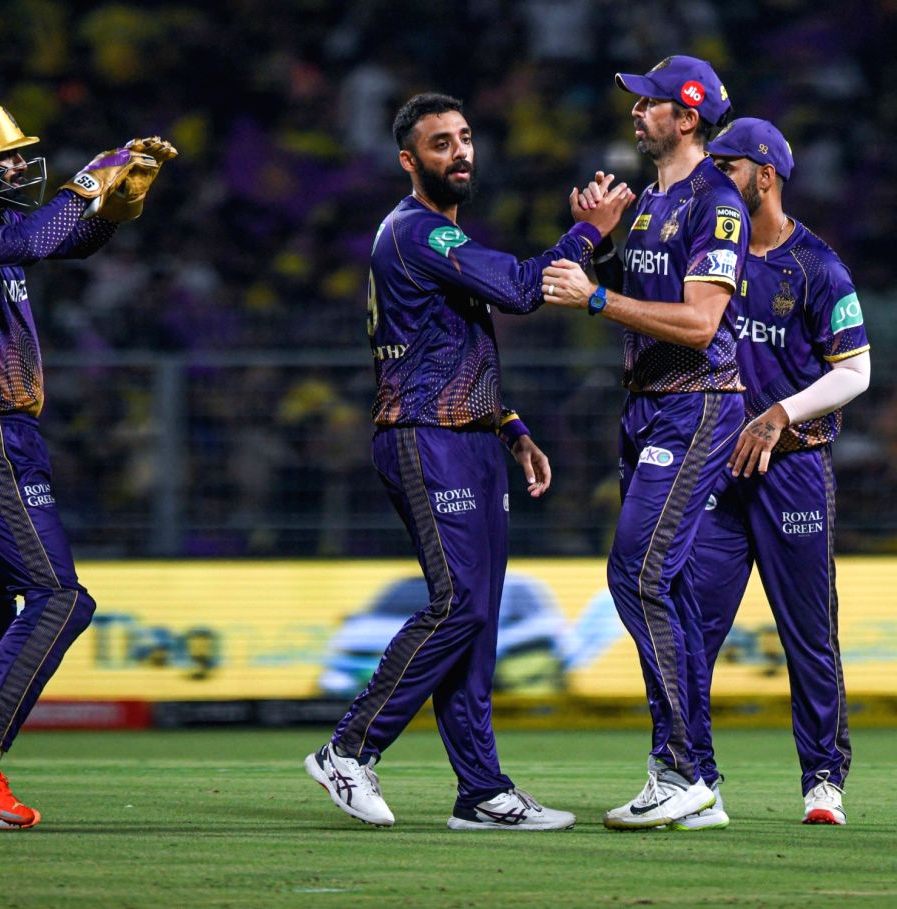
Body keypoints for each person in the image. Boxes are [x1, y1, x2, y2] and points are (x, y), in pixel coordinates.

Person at [304, 92, 633, 830]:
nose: (460, 152)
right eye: (441, 142)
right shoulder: (419, 232)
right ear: (409, 160)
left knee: (477, 619)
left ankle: (481, 790)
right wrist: (589, 231)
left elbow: (449, 346)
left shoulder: (439, 238)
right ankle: (347, 748)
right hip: (427, 437)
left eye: (465, 138)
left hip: (471, 436)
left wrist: (510, 423)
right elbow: (520, 290)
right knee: (459, 603)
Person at [0, 99, 176, 829]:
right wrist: (88, 180)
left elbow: (62, 244)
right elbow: (32, 243)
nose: (18, 168)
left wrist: (113, 212)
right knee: (62, 599)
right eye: (2, 158)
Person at [541, 56, 749, 829]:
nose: (635, 111)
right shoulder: (654, 201)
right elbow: (647, 295)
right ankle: (696, 780)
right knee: (673, 589)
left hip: (696, 405)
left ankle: (684, 768)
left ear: (686, 117)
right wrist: (594, 243)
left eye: (649, 102)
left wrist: (596, 295)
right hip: (649, 408)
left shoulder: (715, 202)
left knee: (636, 571)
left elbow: (700, 325)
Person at [675, 118, 870, 829]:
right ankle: (691, 775)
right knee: (693, 628)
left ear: (765, 175)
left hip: (793, 468)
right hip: (721, 472)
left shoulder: (818, 266)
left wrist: (780, 413)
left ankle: (823, 779)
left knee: (810, 633)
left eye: (724, 167)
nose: (712, 181)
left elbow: (857, 370)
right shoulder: (707, 255)